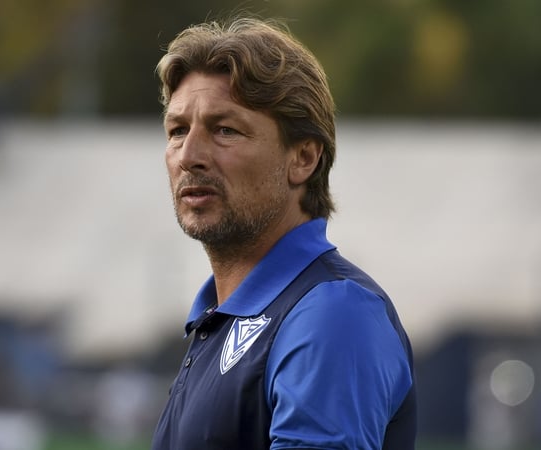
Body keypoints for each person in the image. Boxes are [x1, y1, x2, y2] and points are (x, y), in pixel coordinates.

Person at [151, 17, 416, 450]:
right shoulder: (219, 322)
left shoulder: (333, 313)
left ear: (304, 158)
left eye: (225, 130)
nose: (190, 156)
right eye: (177, 131)